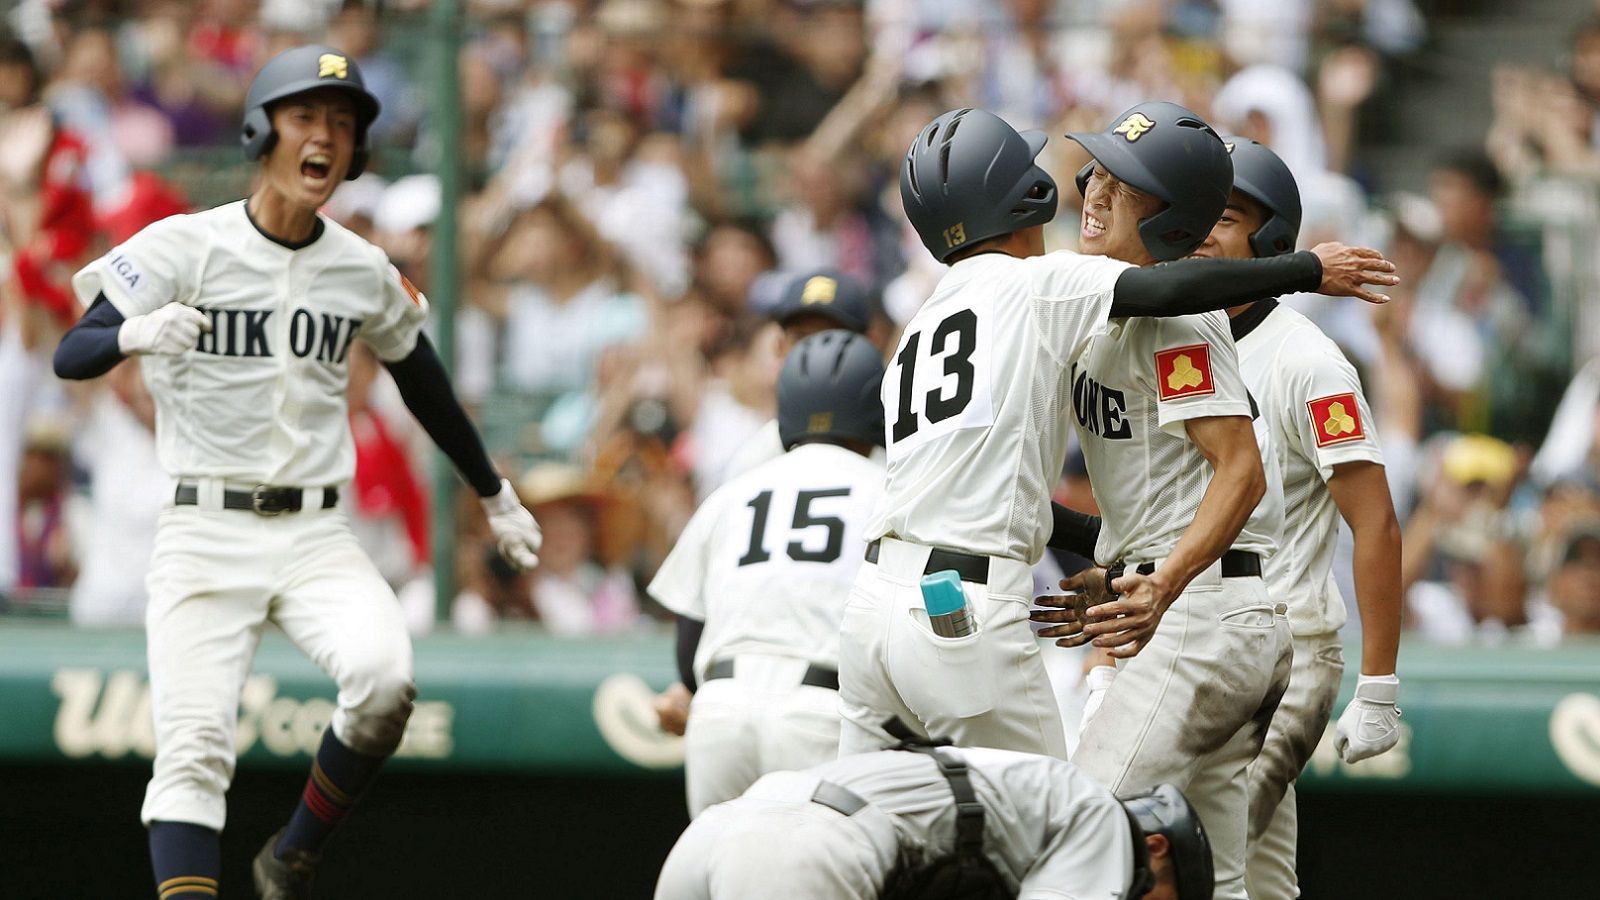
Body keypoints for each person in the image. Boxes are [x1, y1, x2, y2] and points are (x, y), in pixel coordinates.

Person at [52, 45, 543, 900]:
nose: (328, 137)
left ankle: (292, 854)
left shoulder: (358, 266)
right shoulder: (184, 244)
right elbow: (74, 349)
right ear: (261, 129)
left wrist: (493, 491)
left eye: (344, 124)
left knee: (387, 680)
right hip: (204, 528)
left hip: (316, 532)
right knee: (193, 754)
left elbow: (420, 377)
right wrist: (133, 333)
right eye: (309, 117)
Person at [837, 103, 1395, 760]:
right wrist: (1308, 270)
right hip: (963, 608)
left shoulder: (922, 324)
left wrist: (1117, 561)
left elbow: (996, 492)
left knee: (899, 831)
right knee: (1068, 832)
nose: (1087, 191)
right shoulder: (1037, 285)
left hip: (873, 609)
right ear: (1030, 195)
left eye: (1117, 181)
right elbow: (1166, 290)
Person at [1029, 104, 1301, 900]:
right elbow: (1163, 489)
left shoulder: (1180, 316)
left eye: (1127, 183)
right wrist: (1117, 566)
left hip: (1205, 619)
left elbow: (1240, 473)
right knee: (1219, 883)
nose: (1097, 192)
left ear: (1175, 218)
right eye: (1098, 172)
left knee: (1076, 833)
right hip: (1202, 612)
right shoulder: (1114, 308)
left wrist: (1162, 579)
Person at [1177, 137, 1407, 898]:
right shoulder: (1174, 333)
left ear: (1272, 239)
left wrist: (1378, 684)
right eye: (1198, 213)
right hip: (1208, 641)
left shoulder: (1309, 361)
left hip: (1290, 646)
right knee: (1263, 879)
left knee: (1195, 858)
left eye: (1228, 216)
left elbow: (1373, 520)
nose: (1205, 230)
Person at [651, 330, 886, 816]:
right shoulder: (886, 490)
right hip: (821, 711)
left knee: (725, 878)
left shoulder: (736, 490)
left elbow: (689, 626)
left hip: (721, 710)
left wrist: (692, 689)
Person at [655, 733, 1214, 900]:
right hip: (806, 850)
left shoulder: (1031, 805)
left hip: (719, 830)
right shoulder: (1103, 820)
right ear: (1157, 848)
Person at [722, 267, 882, 479]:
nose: (817, 351)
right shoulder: (754, 459)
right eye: (802, 338)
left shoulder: (901, 438)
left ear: (871, 344)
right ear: (779, 348)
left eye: (831, 336)